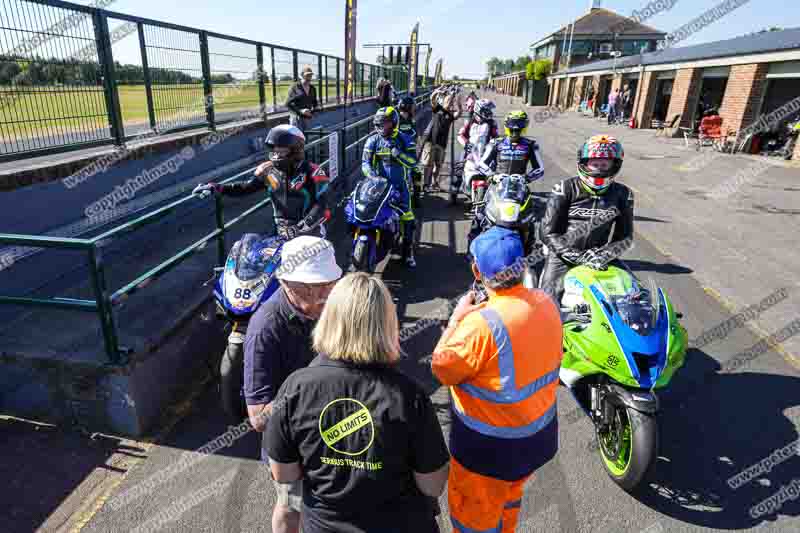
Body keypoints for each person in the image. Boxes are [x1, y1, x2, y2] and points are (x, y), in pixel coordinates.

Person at [266, 273, 450, 533]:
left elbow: (284, 474)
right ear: (387, 323)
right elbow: (432, 485)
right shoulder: (409, 396)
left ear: (330, 318)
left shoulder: (295, 388)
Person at [430, 226, 562, 533]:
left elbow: (441, 368)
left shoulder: (480, 325)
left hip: (489, 452)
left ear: (477, 270)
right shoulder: (546, 302)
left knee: (473, 518)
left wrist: (455, 320)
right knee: (509, 498)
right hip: (538, 438)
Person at [243, 235, 343, 533]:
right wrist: (312, 382)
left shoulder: (329, 303)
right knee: (291, 507)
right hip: (292, 446)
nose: (323, 298)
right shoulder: (265, 328)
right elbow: (258, 417)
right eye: (311, 290)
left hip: (331, 432)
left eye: (328, 286)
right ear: (286, 284)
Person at [538, 135, 634, 304]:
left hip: (599, 257)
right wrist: (576, 256)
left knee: (635, 296)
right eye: (594, 163)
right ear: (583, 163)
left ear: (615, 165)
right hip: (563, 255)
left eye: (604, 164)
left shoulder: (624, 194)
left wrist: (604, 255)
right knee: (547, 302)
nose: (598, 169)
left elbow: (625, 237)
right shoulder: (564, 188)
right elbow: (547, 232)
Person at [193, 124, 331, 240]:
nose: (276, 154)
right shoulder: (268, 171)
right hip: (281, 232)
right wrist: (216, 187)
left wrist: (303, 226)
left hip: (310, 233)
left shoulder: (313, 171)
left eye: (281, 150)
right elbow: (245, 188)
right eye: (275, 150)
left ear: (296, 149)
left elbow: (323, 202)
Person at [468, 110, 545, 251]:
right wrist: (493, 176)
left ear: (524, 127)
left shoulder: (530, 145)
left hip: (519, 188)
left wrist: (525, 178)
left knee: (528, 220)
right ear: (507, 126)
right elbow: (482, 164)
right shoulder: (496, 142)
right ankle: (471, 252)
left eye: (518, 128)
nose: (515, 131)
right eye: (513, 128)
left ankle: (528, 248)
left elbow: (539, 168)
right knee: (480, 215)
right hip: (497, 186)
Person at [362, 106, 419, 267]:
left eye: (385, 124)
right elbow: (365, 164)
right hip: (377, 187)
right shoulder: (372, 140)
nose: (381, 127)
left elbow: (415, 163)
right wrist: (373, 177)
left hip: (401, 187)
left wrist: (398, 154)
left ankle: (408, 253)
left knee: (408, 218)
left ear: (394, 123)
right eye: (379, 124)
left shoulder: (405, 139)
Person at [452, 98, 498, 204]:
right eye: (487, 110)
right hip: (469, 150)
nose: (489, 112)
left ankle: (494, 195)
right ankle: (453, 196)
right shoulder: (470, 121)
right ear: (479, 109)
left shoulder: (492, 123)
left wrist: (495, 146)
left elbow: (495, 137)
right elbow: (460, 135)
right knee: (458, 169)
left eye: (489, 110)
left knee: (495, 170)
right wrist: (466, 144)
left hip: (485, 151)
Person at [419, 90, 457, 193]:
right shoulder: (437, 109)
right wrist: (437, 91)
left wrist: (458, 102)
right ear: (443, 101)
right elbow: (432, 98)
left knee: (438, 165)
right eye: (448, 101)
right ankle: (425, 184)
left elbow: (459, 113)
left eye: (451, 101)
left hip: (442, 144)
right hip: (431, 141)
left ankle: (434, 183)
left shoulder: (450, 115)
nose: (449, 103)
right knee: (428, 164)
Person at [397, 95, 423, 200]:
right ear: (407, 107)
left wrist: (417, 142)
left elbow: (415, 136)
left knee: (417, 171)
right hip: (399, 153)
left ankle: (416, 196)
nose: (414, 109)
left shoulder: (411, 120)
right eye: (412, 107)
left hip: (410, 152)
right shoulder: (396, 119)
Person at [286, 66, 319, 133]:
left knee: (306, 138)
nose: (309, 77)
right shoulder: (295, 87)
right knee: (296, 139)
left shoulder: (312, 88)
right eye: (307, 75)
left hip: (307, 118)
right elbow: (288, 103)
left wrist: (313, 111)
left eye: (310, 75)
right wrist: (301, 111)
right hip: (296, 118)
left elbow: (314, 102)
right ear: (301, 75)